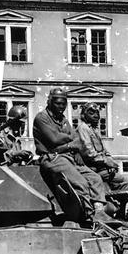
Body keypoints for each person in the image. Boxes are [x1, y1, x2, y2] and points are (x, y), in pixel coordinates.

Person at [33, 89, 109, 224]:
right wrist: (71, 144)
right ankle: (88, 216)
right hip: (52, 158)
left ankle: (99, 213)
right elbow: (54, 139)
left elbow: (78, 140)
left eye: (63, 104)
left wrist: (75, 149)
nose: (61, 107)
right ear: (49, 102)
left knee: (95, 178)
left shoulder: (63, 120)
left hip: (68, 156)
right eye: (57, 103)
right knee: (80, 182)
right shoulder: (42, 118)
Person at [75, 102, 128, 217]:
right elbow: (89, 153)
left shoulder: (95, 130)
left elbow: (104, 151)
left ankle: (120, 215)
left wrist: (110, 162)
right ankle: (106, 211)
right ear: (84, 115)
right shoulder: (83, 128)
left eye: (97, 113)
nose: (96, 116)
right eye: (91, 113)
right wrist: (106, 163)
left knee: (124, 183)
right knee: (121, 182)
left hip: (101, 168)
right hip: (90, 168)